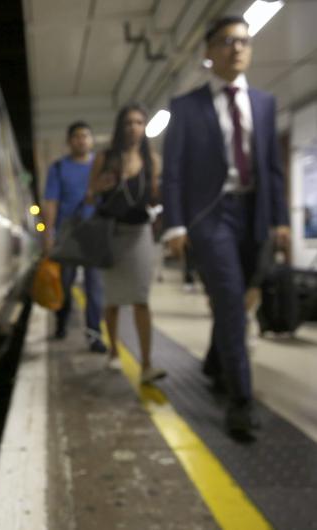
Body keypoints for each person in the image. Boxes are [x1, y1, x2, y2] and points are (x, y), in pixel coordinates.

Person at [161, 16, 290, 439]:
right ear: (209, 52)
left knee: (243, 298)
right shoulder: (186, 107)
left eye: (244, 41)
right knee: (232, 302)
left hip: (255, 214)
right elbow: (174, 173)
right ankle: (241, 402)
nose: (237, 48)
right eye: (227, 42)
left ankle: (216, 360)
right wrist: (175, 225)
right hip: (210, 217)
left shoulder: (266, 104)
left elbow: (272, 167)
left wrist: (281, 220)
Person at [87, 103, 166, 385]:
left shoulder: (151, 160)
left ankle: (146, 364)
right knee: (112, 300)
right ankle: (114, 351)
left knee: (141, 298)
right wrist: (101, 186)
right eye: (128, 122)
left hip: (140, 233)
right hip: (112, 233)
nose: (134, 127)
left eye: (139, 122)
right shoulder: (105, 158)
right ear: (120, 127)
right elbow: (89, 195)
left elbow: (156, 195)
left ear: (145, 128)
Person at [43, 121, 107, 353]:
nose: (82, 140)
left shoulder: (101, 168)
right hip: (66, 233)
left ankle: (94, 334)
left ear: (91, 140)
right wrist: (48, 234)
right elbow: (51, 202)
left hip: (94, 234)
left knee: (95, 288)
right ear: (70, 141)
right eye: (77, 137)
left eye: (86, 136)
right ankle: (61, 322)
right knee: (65, 284)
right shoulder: (58, 168)